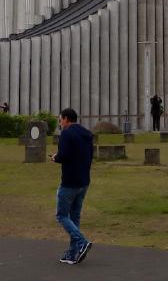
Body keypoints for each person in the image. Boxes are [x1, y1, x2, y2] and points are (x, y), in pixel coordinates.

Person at [51, 107, 95, 265]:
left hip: (70, 181)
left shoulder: (67, 133)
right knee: (74, 217)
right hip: (84, 180)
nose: (60, 123)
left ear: (66, 119)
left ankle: (82, 242)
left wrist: (56, 158)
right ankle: (72, 252)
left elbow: (63, 155)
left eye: (61, 119)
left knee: (62, 215)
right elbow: (90, 155)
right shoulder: (86, 134)